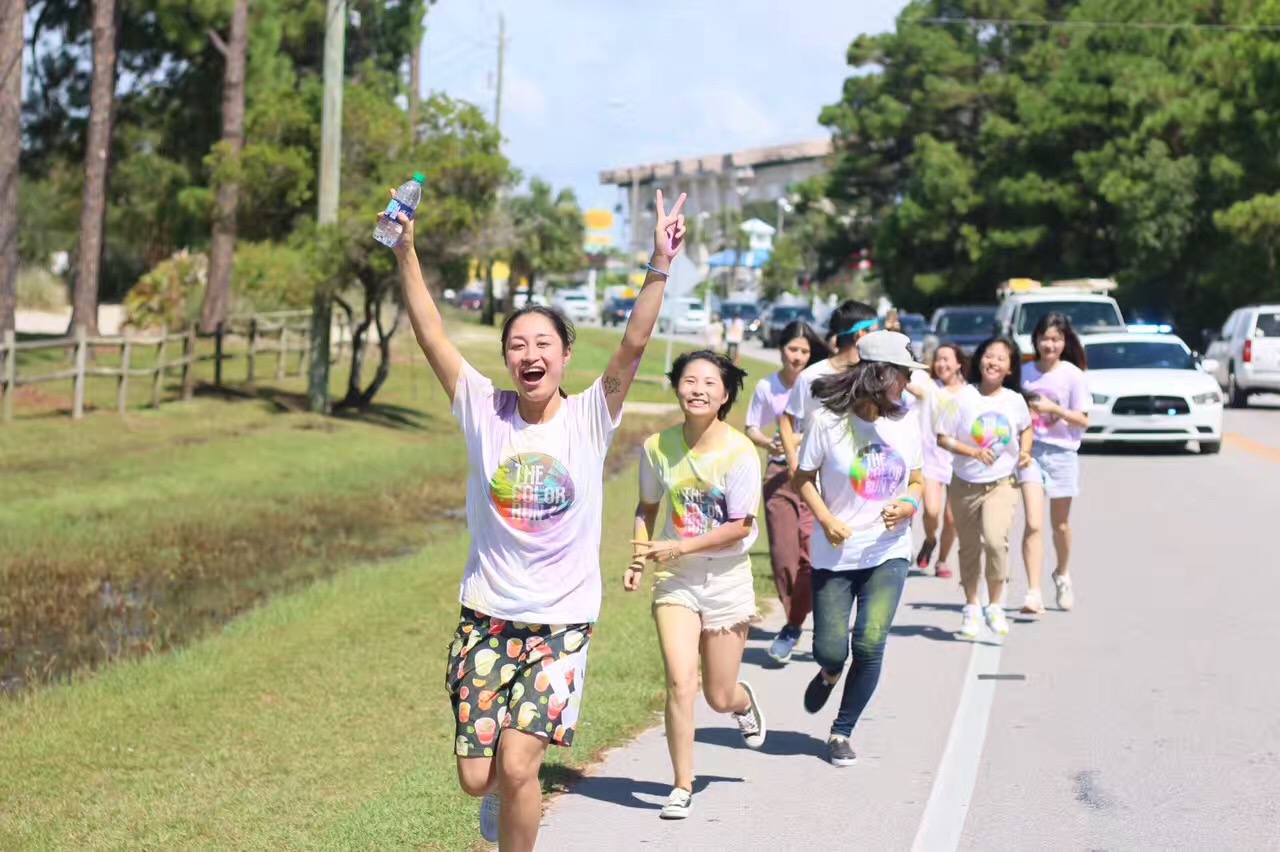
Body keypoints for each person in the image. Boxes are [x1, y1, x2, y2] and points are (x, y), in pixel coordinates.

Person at [381, 187, 686, 851]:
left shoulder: (589, 419)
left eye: (542, 343)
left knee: (521, 765)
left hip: (560, 624)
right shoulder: (482, 412)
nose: (529, 355)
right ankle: (497, 800)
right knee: (476, 776)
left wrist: (659, 264)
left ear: (564, 355)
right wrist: (406, 251)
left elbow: (633, 346)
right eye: (517, 345)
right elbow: (430, 329)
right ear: (507, 358)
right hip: (487, 616)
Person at [625, 350, 767, 820]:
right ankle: (682, 785)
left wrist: (679, 547)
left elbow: (739, 527)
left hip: (726, 577)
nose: (698, 389)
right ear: (678, 387)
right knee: (680, 681)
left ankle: (742, 703)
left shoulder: (740, 452)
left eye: (710, 382)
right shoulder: (657, 447)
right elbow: (647, 507)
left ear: (725, 395)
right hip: (677, 582)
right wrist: (639, 556)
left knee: (717, 694)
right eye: (689, 380)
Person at [792, 331, 926, 766]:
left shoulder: (907, 420)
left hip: (888, 551)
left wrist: (908, 503)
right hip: (835, 554)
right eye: (903, 374)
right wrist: (827, 520)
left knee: (870, 642)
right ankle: (830, 672)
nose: (907, 383)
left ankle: (841, 731)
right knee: (832, 649)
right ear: (880, 375)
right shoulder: (827, 421)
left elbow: (919, 480)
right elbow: (803, 479)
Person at [743, 320, 831, 664]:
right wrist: (767, 442)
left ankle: (799, 624)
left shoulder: (818, 385)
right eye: (792, 349)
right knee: (784, 557)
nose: (797, 356)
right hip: (779, 476)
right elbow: (752, 425)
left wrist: (796, 440)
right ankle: (793, 617)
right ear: (781, 349)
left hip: (814, 476)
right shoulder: (768, 387)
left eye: (804, 351)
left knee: (812, 554)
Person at [936, 336, 1033, 639]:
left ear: (1010, 368)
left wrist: (1026, 451)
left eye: (1001, 359)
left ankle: (994, 605)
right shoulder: (964, 397)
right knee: (968, 549)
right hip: (964, 484)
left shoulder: (1014, 400)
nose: (993, 362)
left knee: (994, 541)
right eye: (989, 356)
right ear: (979, 360)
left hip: (1001, 483)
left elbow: (1026, 427)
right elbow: (943, 437)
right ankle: (971, 607)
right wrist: (972, 452)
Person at [1018, 313, 1089, 614]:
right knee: (1033, 522)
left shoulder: (1072, 375)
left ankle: (1062, 574)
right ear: (1035, 340)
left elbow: (1084, 420)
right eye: (1045, 338)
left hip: (1062, 453)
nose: (1050, 344)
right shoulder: (1023, 372)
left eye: (1056, 339)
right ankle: (1033, 591)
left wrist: (1053, 409)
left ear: (1064, 342)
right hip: (1030, 452)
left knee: (1059, 525)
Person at [778, 300, 879, 478]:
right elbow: (786, 421)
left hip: (863, 476)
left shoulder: (873, 377)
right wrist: (793, 464)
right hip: (819, 481)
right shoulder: (811, 377)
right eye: (875, 332)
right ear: (860, 335)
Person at [914, 343, 968, 579]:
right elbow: (908, 382)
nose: (942, 364)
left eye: (947, 359)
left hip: (959, 461)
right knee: (932, 511)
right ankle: (929, 539)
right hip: (931, 460)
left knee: (951, 517)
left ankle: (943, 560)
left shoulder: (971, 393)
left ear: (959, 363)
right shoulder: (929, 387)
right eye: (938, 359)